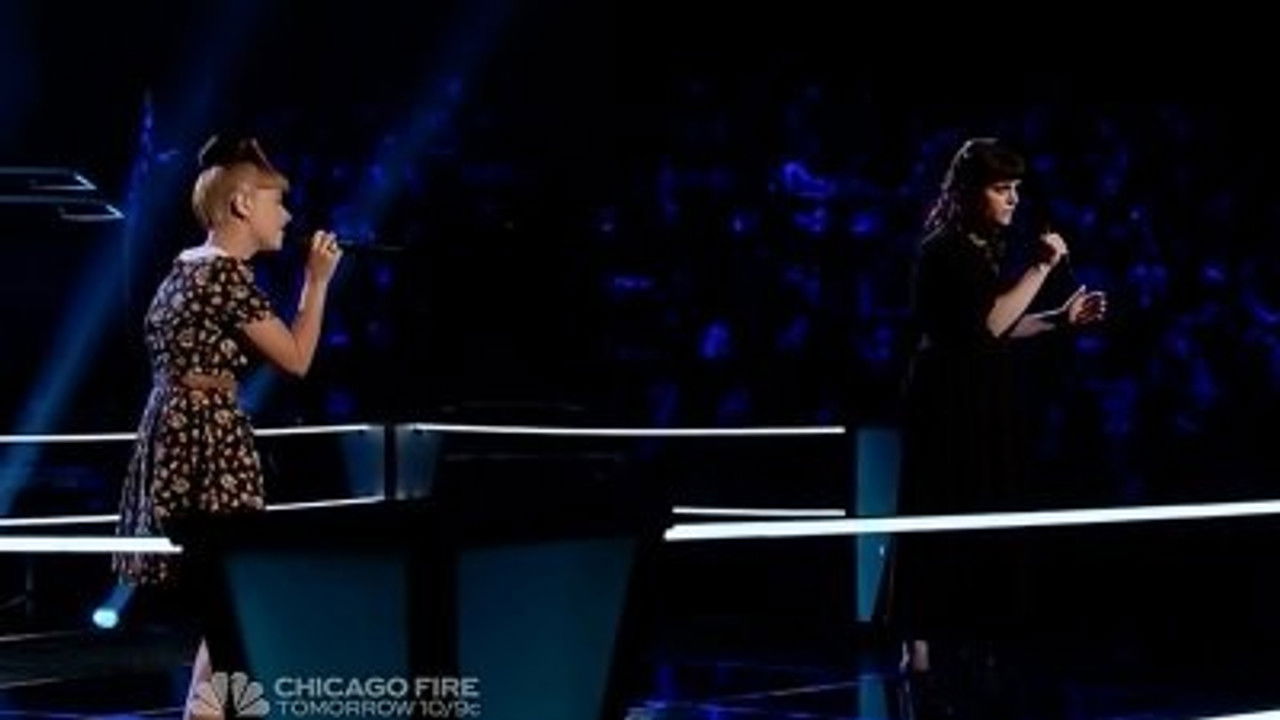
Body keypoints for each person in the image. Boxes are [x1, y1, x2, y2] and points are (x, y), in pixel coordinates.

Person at [112, 135, 342, 717]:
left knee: (229, 592)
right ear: (242, 203)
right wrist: (317, 282)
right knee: (240, 584)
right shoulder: (223, 276)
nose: (285, 217)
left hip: (176, 431)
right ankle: (206, 709)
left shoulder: (183, 268)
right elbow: (296, 359)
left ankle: (205, 707)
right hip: (209, 442)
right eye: (276, 202)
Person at [893, 138, 1106, 674]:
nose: (1013, 199)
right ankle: (918, 646)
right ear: (972, 192)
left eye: (1015, 189)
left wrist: (1058, 319)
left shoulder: (981, 246)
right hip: (945, 401)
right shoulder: (944, 249)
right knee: (935, 512)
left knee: (980, 512)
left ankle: (970, 638)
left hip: (981, 396)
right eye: (1001, 189)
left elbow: (996, 327)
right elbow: (985, 325)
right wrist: (1040, 268)